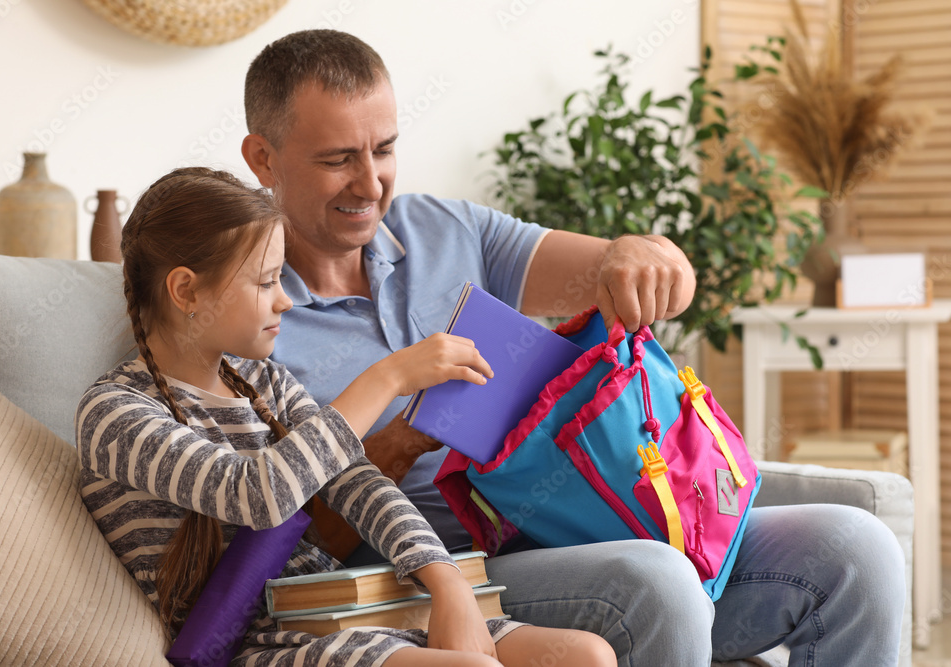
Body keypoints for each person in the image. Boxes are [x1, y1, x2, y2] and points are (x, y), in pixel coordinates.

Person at [240, 29, 907, 666]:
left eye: (383, 149)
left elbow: (627, 271)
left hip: (565, 519)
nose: (370, 182)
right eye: (337, 160)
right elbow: (284, 542)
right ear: (262, 156)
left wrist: (646, 255)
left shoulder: (445, 229)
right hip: (427, 571)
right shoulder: (248, 311)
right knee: (659, 578)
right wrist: (403, 440)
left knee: (856, 548)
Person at [75, 167, 616, 667]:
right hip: (264, 644)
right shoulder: (116, 415)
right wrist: (388, 378)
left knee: (587, 655)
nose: (285, 301)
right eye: (266, 282)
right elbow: (257, 494)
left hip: (335, 608)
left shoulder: (263, 383)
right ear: (186, 290)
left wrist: (446, 582)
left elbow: (357, 483)